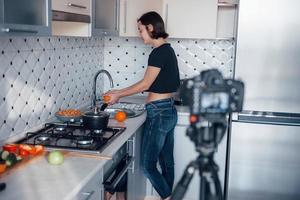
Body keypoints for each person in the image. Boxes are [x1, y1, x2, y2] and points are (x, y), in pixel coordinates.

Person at [104, 11, 180, 200]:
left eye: (140, 30)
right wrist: (120, 93)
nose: (139, 34)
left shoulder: (158, 53)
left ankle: (168, 196)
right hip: (168, 110)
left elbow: (145, 84)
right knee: (167, 163)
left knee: (147, 165)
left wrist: (118, 94)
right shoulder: (168, 50)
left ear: (151, 28)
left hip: (159, 112)